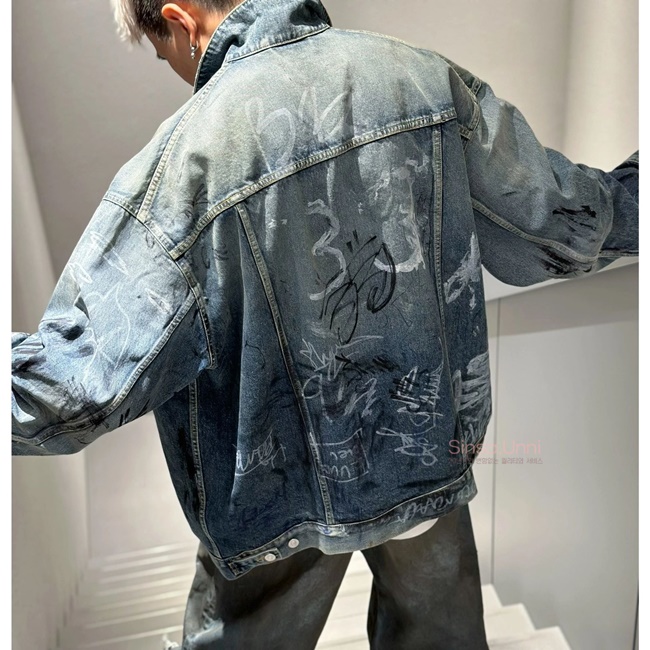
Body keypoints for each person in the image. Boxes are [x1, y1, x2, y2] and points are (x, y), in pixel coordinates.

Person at [11, 0, 638, 648]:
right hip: (422, 452)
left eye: (163, 50)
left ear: (179, 19)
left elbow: (72, 385)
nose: (173, 66)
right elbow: (564, 219)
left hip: (269, 501)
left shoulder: (174, 174)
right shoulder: (424, 82)